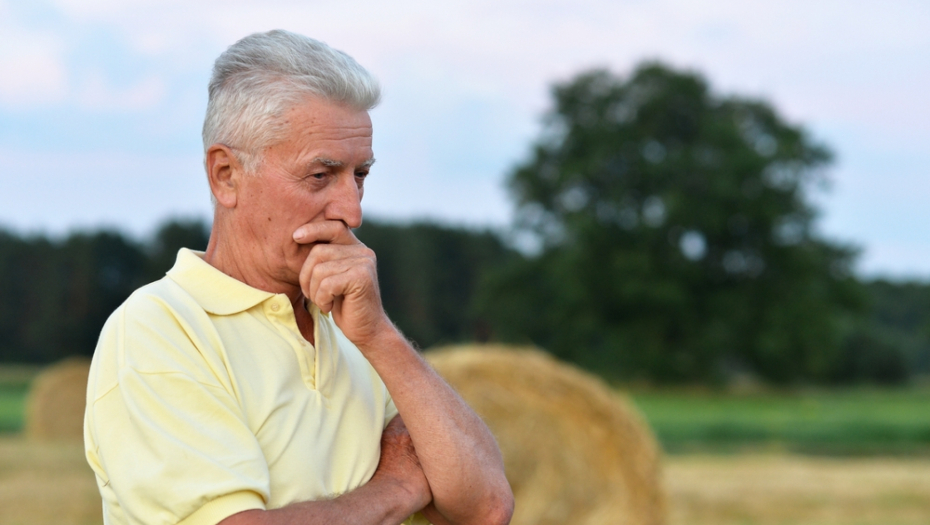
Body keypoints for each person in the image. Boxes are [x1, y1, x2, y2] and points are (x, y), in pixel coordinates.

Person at [83, 29, 514, 525]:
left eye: (360, 175)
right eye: (320, 175)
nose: (351, 211)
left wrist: (379, 338)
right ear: (225, 174)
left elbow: (487, 508)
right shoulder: (159, 330)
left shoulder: (353, 328)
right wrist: (395, 489)